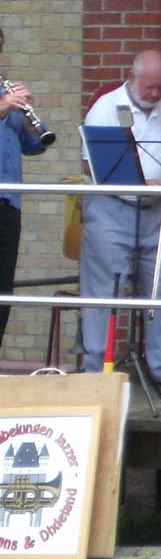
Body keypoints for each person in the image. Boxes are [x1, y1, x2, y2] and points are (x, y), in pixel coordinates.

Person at [78, 50, 161, 387]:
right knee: (105, 290)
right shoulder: (106, 107)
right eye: (149, 87)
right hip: (111, 208)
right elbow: (92, 165)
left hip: (155, 209)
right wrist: (142, 184)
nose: (155, 94)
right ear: (132, 78)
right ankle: (96, 370)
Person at [0, 27, 50, 349]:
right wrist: (3, 107)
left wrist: (32, 122)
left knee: (3, 288)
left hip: (8, 202)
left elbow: (32, 147)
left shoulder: (5, 90)